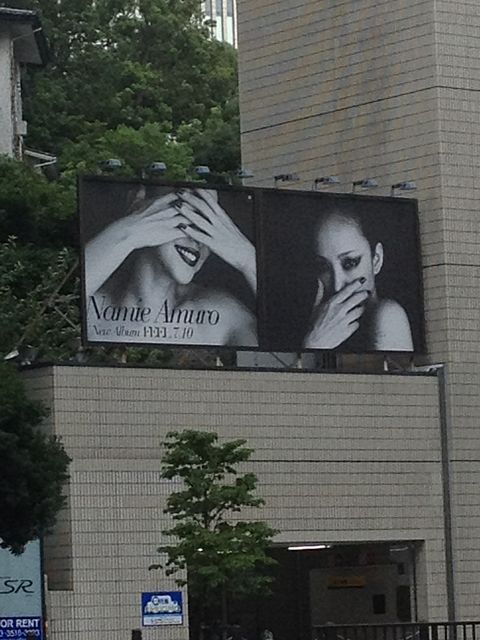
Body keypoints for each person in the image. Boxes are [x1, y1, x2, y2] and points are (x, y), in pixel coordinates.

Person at [85, 187, 257, 347]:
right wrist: (125, 233)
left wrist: (248, 259)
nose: (200, 237)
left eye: (211, 223)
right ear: (139, 199)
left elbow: (272, 352)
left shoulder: (223, 316)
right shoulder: (92, 306)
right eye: (190, 212)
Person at [303, 207, 413, 351]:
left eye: (350, 262)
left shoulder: (389, 314)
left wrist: (314, 344)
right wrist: (314, 341)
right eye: (323, 266)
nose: (337, 286)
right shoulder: (314, 324)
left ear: (376, 259)